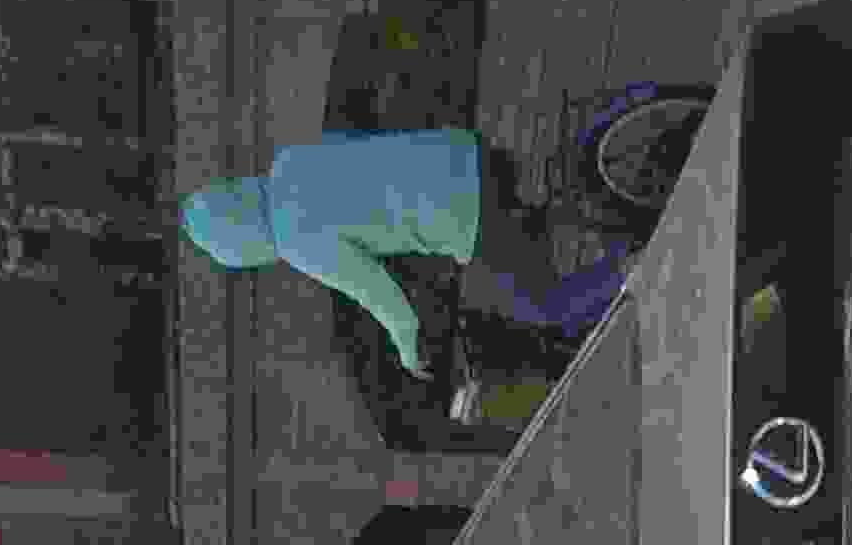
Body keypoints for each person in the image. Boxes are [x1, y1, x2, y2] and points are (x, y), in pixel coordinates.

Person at [182, 128, 630, 385]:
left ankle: (630, 267)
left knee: (544, 305)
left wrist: (408, 350)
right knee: (538, 218)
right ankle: (623, 197)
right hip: (460, 150)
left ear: (245, 246)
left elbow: (377, 294)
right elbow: (358, 155)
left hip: (461, 213)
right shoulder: (288, 163)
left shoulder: (297, 241)